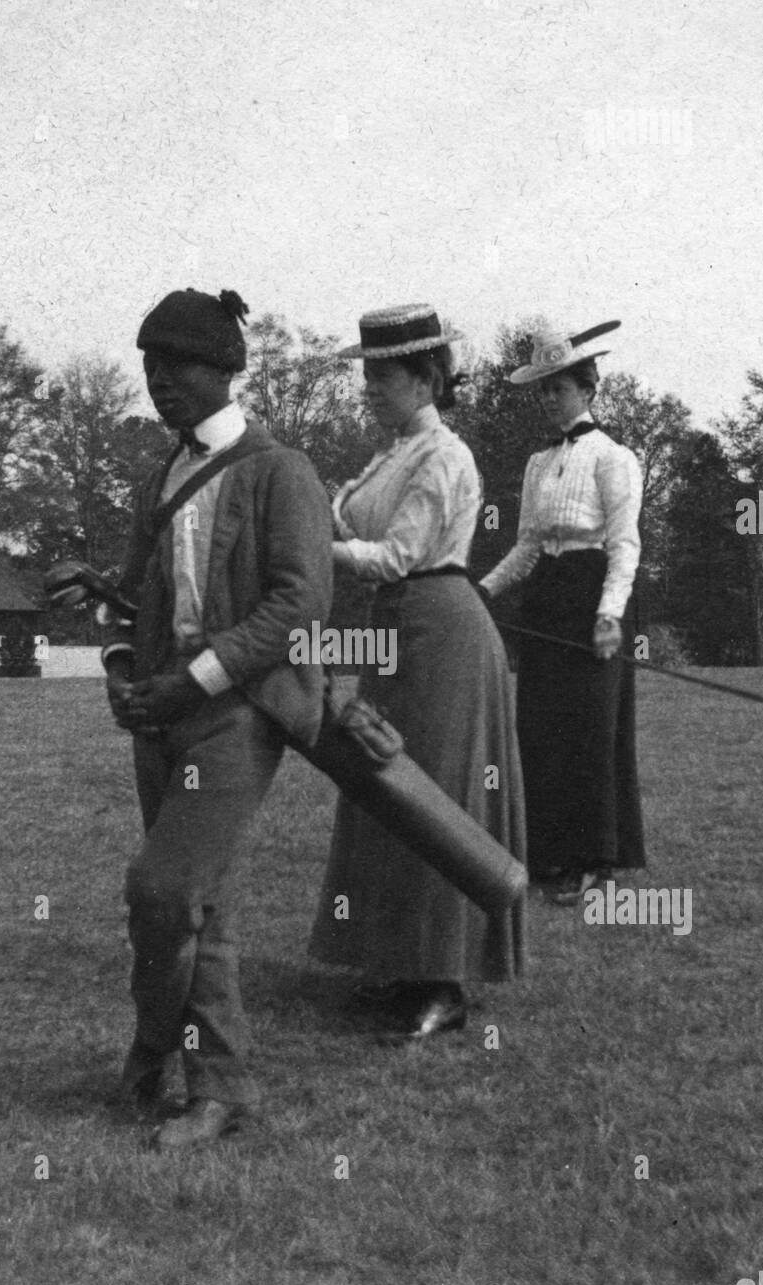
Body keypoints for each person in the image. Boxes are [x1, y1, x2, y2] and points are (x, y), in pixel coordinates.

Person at [103, 287, 334, 1151]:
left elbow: (301, 603)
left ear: (224, 370)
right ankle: (220, 1088)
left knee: (161, 891)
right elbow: (126, 600)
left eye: (177, 365)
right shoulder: (156, 477)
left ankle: (152, 1044)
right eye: (150, 366)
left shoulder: (281, 471)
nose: (160, 381)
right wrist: (123, 673)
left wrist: (191, 681)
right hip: (157, 718)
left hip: (238, 716)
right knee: (207, 906)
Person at [309, 303, 526, 1037]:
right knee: (388, 788)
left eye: (384, 374)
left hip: (442, 628)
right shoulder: (393, 451)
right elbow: (353, 527)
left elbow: (396, 556)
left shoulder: (442, 453)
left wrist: (308, 548)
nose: (369, 387)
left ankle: (447, 979)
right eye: (366, 373)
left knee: (440, 788)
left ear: (426, 377)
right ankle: (400, 960)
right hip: (397, 630)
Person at [479, 319, 646, 905]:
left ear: (589, 388)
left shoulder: (613, 457)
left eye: (560, 387)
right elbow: (525, 547)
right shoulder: (535, 463)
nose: (550, 399)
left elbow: (625, 544)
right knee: (542, 728)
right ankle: (548, 855)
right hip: (545, 600)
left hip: (591, 594)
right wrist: (481, 592)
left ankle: (595, 862)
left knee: (590, 731)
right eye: (543, 390)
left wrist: (609, 616)